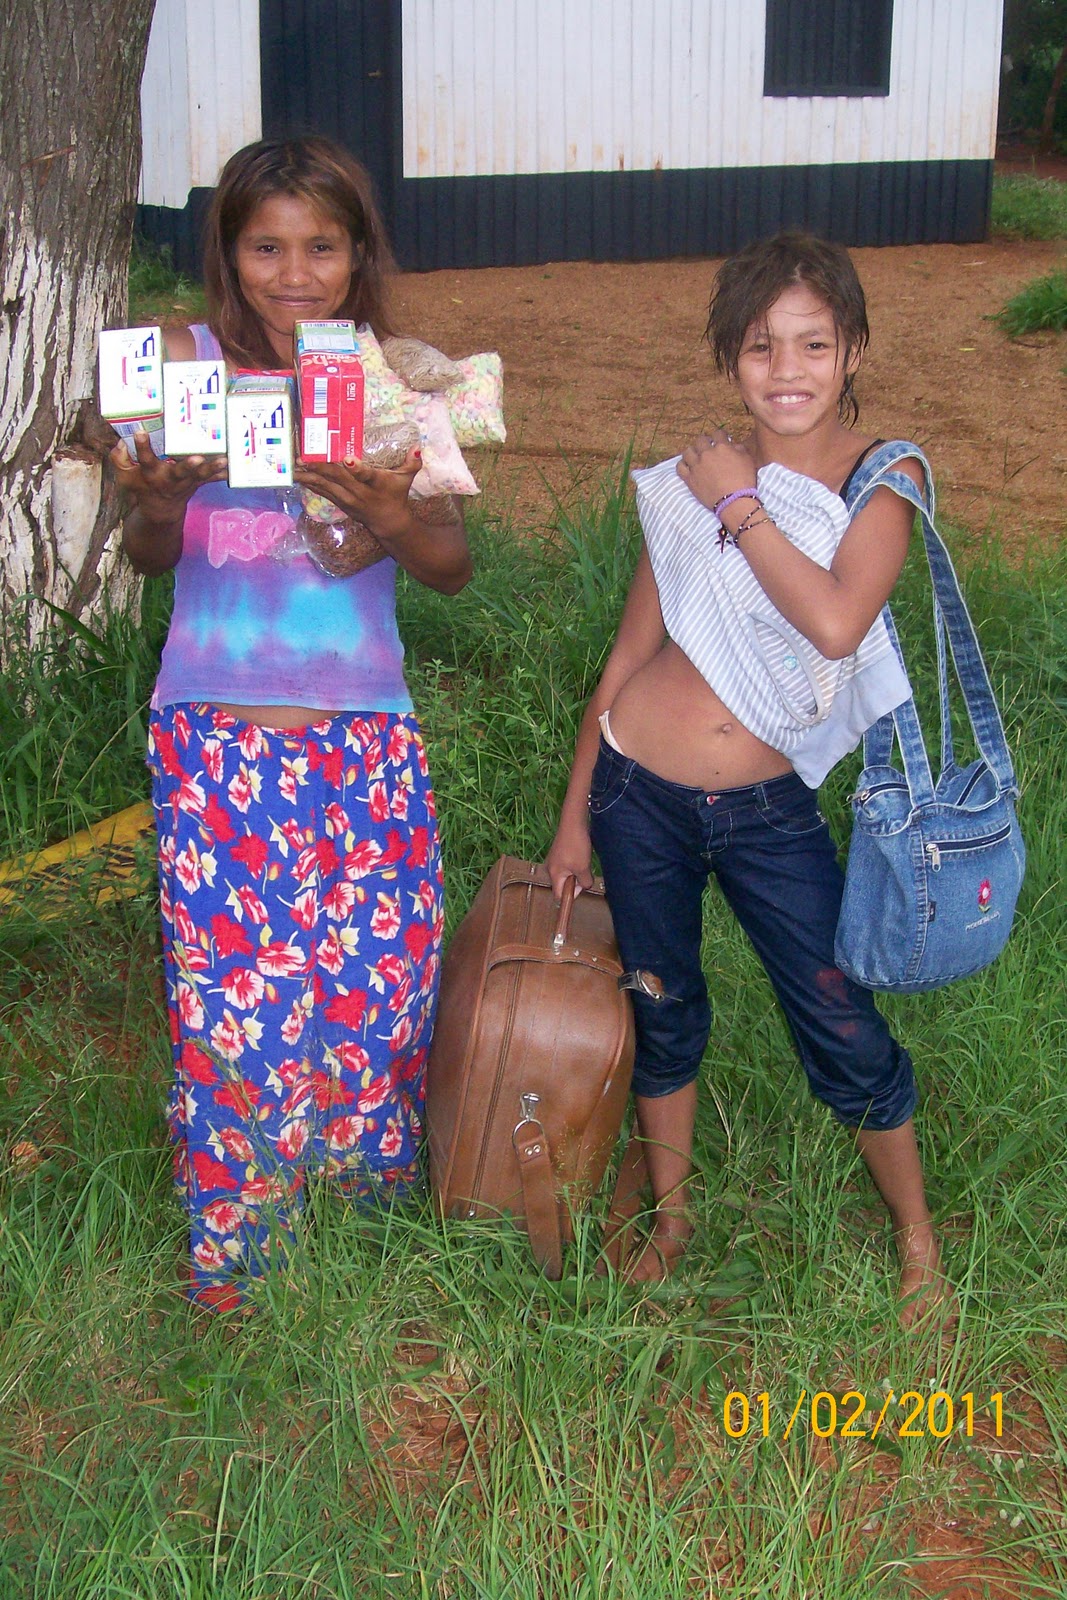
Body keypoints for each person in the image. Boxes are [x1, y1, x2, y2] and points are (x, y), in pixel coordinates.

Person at [546, 231, 948, 1323]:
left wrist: (741, 502)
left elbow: (833, 624)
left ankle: (917, 1243)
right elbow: (627, 657)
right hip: (637, 789)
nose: (786, 369)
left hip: (769, 808)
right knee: (660, 999)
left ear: (852, 349)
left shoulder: (882, 477)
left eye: (812, 344)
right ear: (729, 358)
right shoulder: (693, 483)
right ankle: (672, 1218)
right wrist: (575, 819)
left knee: (836, 1009)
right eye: (760, 346)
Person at [113, 136, 472, 1311]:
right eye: (265, 247)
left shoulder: (392, 380)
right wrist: (157, 499)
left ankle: (361, 1237)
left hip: (365, 736)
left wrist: (391, 511)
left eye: (321, 245)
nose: (294, 272)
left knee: (377, 982)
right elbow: (149, 551)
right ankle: (239, 1260)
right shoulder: (182, 366)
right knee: (238, 1002)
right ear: (227, 253)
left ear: (358, 252)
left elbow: (450, 564)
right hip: (218, 738)